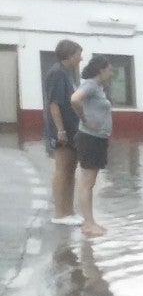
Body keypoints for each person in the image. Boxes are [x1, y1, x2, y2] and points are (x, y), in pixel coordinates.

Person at [70, 56, 115, 238]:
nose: (111, 73)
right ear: (101, 70)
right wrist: (85, 120)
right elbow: (74, 99)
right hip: (90, 138)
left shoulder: (98, 88)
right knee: (87, 183)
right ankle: (88, 224)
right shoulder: (90, 85)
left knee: (90, 182)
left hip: (97, 138)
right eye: (109, 69)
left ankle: (91, 221)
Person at [44, 40, 84, 226]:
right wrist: (60, 129)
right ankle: (60, 213)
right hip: (62, 130)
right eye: (78, 54)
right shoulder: (57, 73)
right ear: (69, 55)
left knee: (70, 170)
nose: (80, 57)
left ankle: (69, 211)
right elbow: (54, 104)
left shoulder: (67, 73)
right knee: (62, 169)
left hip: (72, 129)